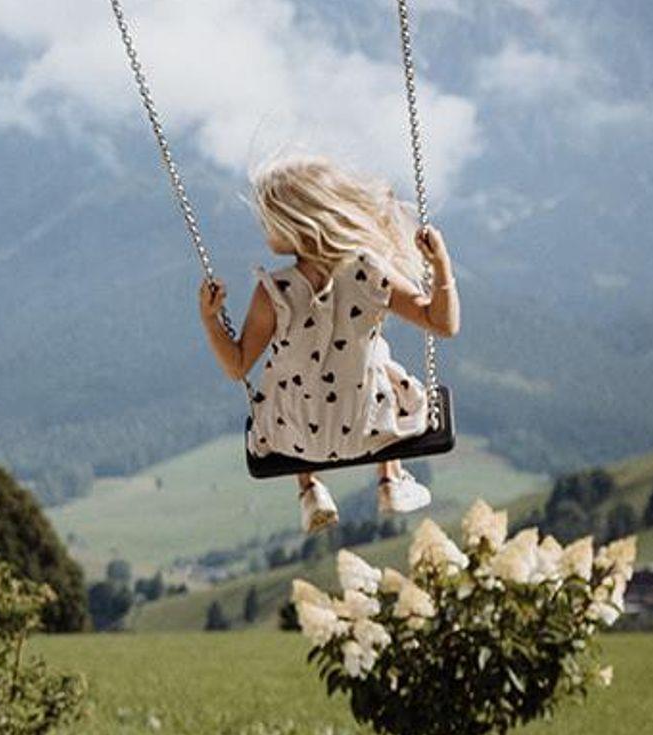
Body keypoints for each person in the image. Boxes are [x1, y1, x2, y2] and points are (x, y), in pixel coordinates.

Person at [197, 153, 461, 533]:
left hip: (294, 440)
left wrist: (210, 320)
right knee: (376, 360)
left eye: (268, 219)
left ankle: (310, 491)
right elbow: (443, 324)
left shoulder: (274, 291)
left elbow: (237, 366)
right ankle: (390, 479)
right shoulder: (369, 271)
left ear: (296, 225)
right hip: (370, 429)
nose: (263, 227)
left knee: (290, 375)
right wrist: (441, 267)